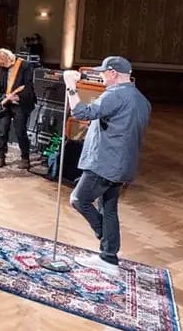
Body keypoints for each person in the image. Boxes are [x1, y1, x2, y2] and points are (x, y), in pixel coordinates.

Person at [62, 56, 152, 274]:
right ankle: (108, 258)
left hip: (105, 163)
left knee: (78, 199)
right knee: (109, 208)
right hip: (123, 165)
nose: (101, 76)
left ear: (113, 73)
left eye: (103, 72)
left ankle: (105, 238)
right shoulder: (141, 100)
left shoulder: (115, 94)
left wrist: (70, 87)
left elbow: (81, 113)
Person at [0, 47, 36, 169]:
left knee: (20, 131)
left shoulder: (25, 66)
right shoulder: (3, 68)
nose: (3, 67)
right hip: (6, 103)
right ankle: (1, 157)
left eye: (3, 64)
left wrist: (18, 97)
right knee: (2, 130)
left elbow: (29, 86)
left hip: (20, 103)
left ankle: (25, 158)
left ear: (8, 58)